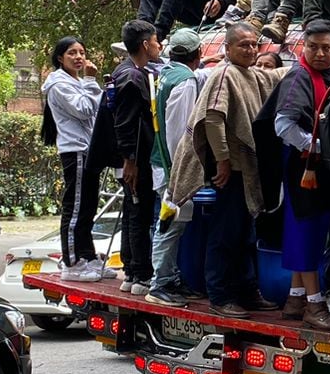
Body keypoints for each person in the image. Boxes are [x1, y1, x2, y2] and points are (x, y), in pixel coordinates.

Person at [166, 23, 286, 314]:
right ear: (228, 49)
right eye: (243, 45)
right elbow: (213, 118)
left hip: (245, 171)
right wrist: (221, 160)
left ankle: (246, 290)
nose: (249, 50)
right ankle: (220, 296)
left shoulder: (251, 75)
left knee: (246, 234)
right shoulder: (224, 74)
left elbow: (276, 76)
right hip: (229, 171)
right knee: (225, 234)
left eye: (253, 45)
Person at [273, 20, 330, 328]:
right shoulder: (298, 77)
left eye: (326, 47)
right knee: (305, 232)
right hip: (304, 168)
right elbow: (283, 126)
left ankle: (294, 297)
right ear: (303, 47)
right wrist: (318, 146)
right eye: (313, 47)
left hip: (326, 168)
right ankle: (314, 306)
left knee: (313, 231)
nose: (319, 53)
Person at [42, 37, 113, 282]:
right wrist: (93, 81)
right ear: (60, 58)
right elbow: (84, 109)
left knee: (88, 208)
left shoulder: (77, 81)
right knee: (75, 208)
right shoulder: (59, 84)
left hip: (89, 149)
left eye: (82, 52)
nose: (79, 57)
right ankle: (71, 262)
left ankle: (88, 257)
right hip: (76, 151)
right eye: (72, 53)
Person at [145, 29, 208, 306]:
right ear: (197, 54)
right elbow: (181, 133)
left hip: (163, 164)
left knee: (172, 224)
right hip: (173, 167)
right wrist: (179, 174)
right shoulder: (185, 82)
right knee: (169, 225)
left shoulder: (167, 74)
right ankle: (160, 284)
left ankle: (169, 278)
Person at [111, 20, 163, 296]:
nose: (159, 46)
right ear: (145, 45)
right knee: (138, 214)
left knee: (134, 212)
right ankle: (140, 273)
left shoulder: (131, 72)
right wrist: (129, 160)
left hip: (135, 157)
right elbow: (125, 123)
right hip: (135, 159)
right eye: (156, 41)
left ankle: (132, 271)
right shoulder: (132, 78)